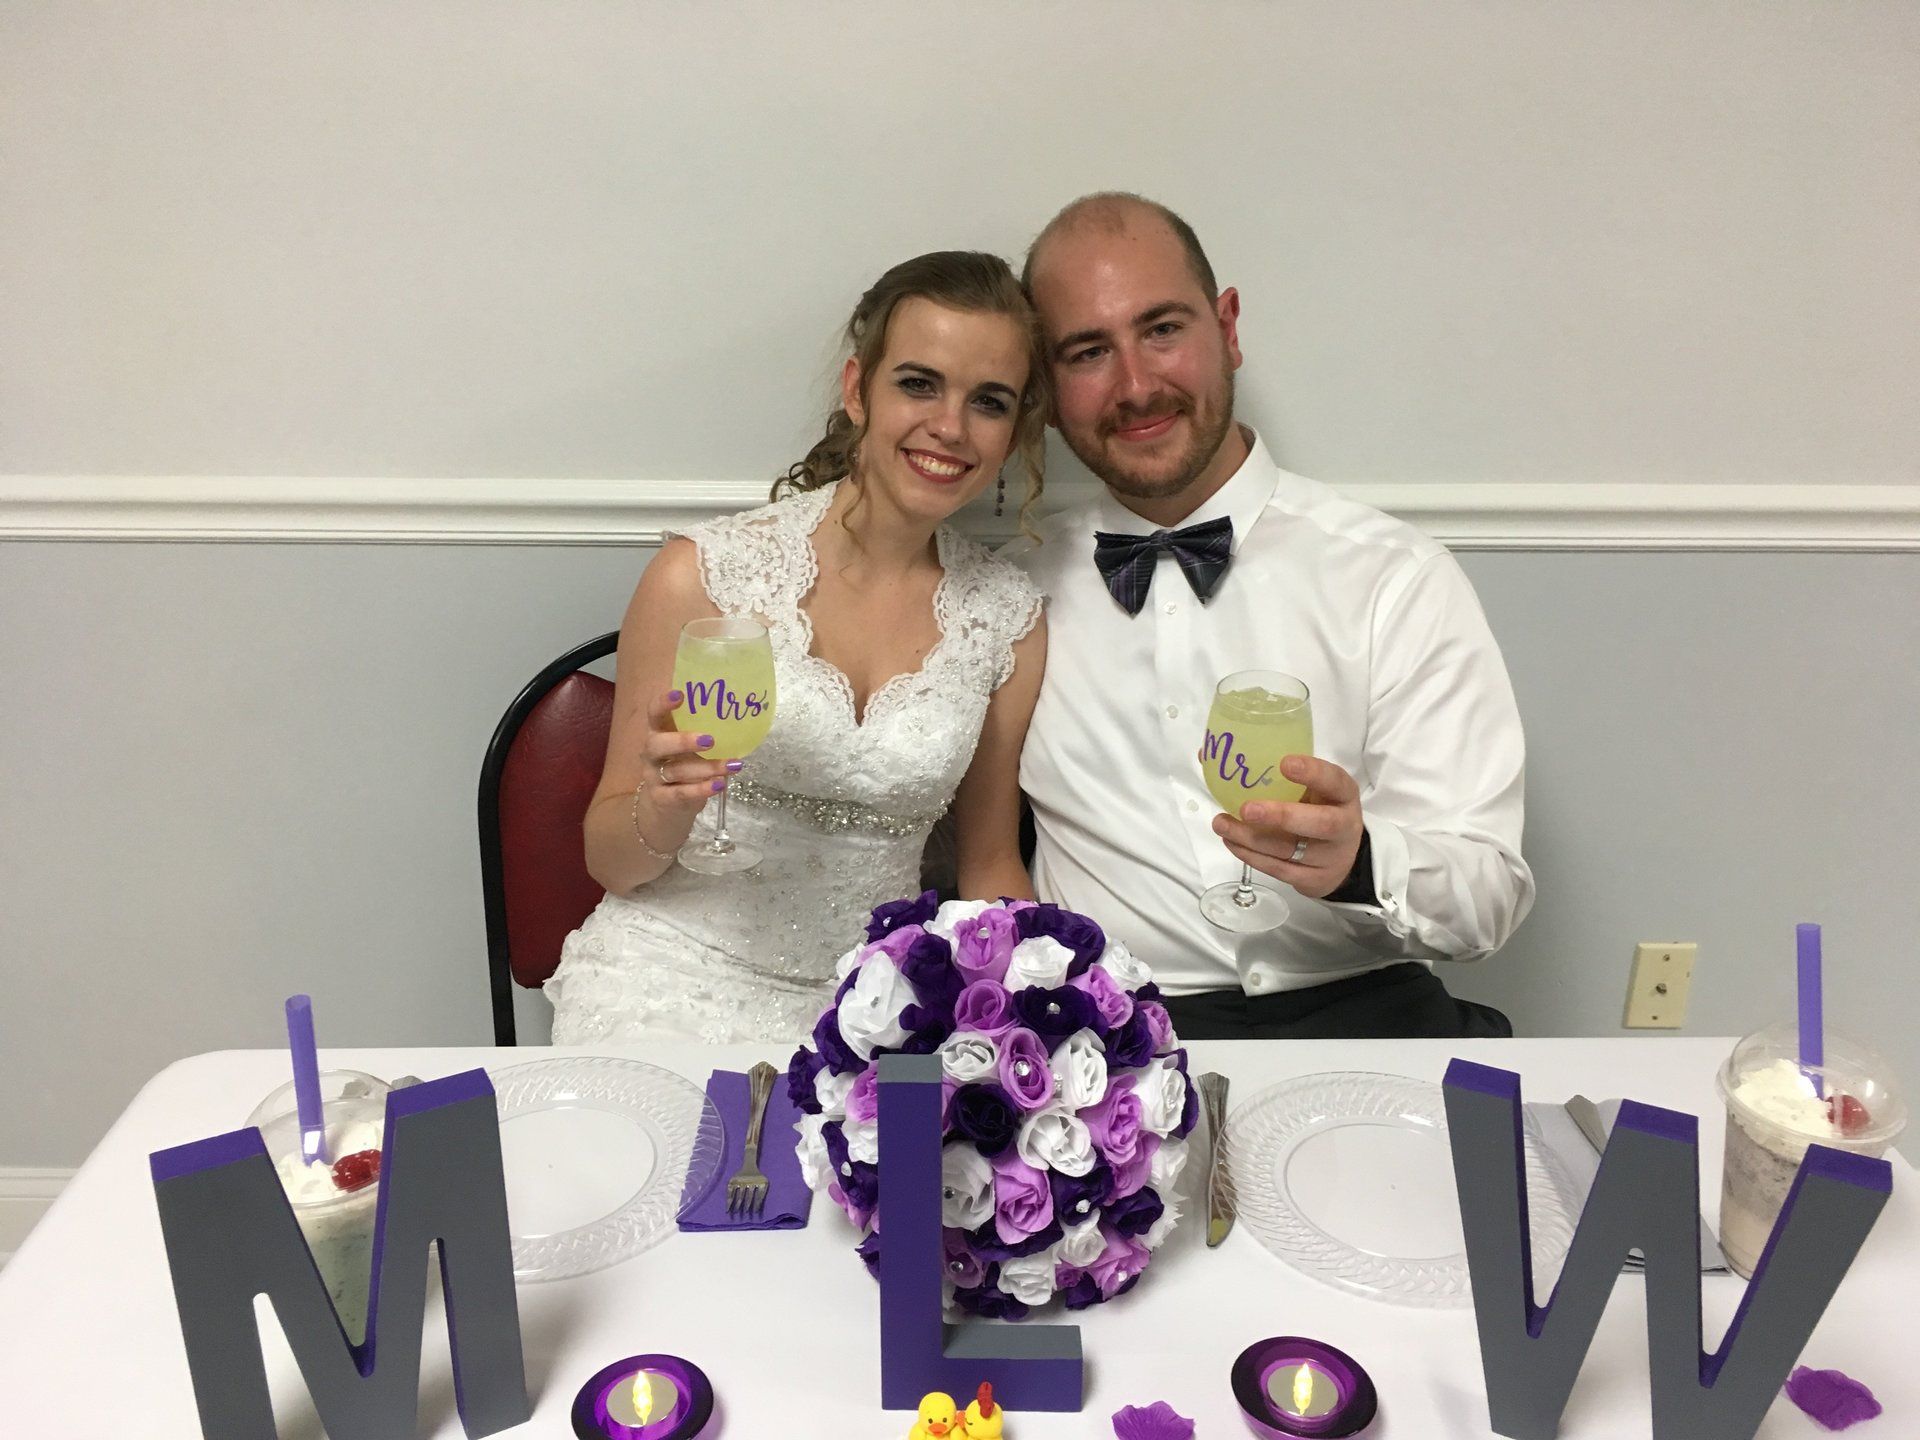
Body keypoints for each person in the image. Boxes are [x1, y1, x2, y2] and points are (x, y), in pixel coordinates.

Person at [1007, 194, 1534, 1039]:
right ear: (1045, 384)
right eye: (1088, 351)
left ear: (1228, 328)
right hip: (1111, 1044)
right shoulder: (1009, 598)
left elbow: (1489, 898)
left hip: (1369, 1009)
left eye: (1164, 330)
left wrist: (1362, 863)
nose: (1137, 385)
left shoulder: (1393, 577)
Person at [546, 252, 1047, 1045]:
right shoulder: (701, 577)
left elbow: (988, 866)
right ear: (857, 390)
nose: (950, 426)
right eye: (918, 383)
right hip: (668, 978)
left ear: (1014, 431)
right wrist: (665, 807)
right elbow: (611, 860)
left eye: (988, 401)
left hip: (874, 1009)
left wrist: (1056, 1000)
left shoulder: (1006, 618)